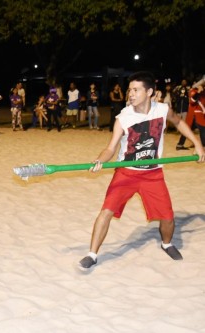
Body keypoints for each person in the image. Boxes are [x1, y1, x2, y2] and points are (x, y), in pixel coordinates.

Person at [78, 71, 205, 271]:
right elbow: (111, 148)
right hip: (125, 172)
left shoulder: (162, 110)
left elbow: (179, 122)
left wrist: (197, 143)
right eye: (130, 90)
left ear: (150, 92)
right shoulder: (123, 118)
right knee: (106, 212)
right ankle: (92, 254)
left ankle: (166, 244)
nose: (131, 94)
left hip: (153, 174)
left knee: (168, 217)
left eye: (136, 90)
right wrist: (100, 160)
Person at [174, 79, 192, 150]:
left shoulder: (188, 89)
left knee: (186, 125)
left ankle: (180, 144)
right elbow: (175, 94)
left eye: (185, 81)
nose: (183, 82)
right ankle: (180, 144)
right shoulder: (178, 88)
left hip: (186, 109)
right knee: (184, 125)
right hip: (180, 109)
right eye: (182, 81)